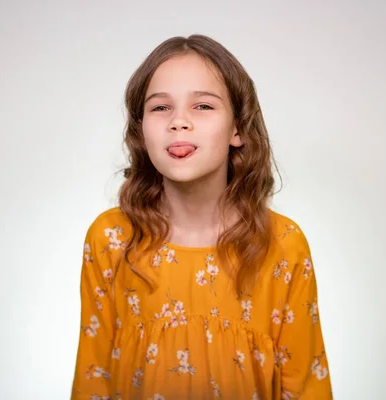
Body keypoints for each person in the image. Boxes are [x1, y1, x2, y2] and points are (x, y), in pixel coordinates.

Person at [71, 34, 332, 400]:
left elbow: (306, 388)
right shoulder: (111, 239)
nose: (179, 122)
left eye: (203, 107)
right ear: (141, 131)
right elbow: (92, 380)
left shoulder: (282, 245)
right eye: (160, 108)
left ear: (238, 129)